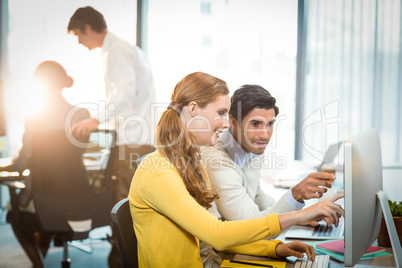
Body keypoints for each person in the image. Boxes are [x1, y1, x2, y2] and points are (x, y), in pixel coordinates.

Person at [128, 72, 344, 267]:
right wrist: (300, 215)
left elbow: (214, 236)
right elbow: (217, 235)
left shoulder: (192, 163)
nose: (226, 123)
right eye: (221, 113)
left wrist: (273, 248)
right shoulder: (158, 171)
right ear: (193, 110)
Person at [67, 6, 156, 266]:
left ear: (88, 28)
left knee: (124, 210)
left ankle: (120, 263)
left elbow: (124, 92)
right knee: (136, 209)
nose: (80, 42)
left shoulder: (116, 51)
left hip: (132, 142)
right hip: (139, 141)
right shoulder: (127, 49)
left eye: (78, 35)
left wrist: (96, 119)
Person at [201, 84, 337, 222]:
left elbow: (257, 197)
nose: (265, 135)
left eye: (270, 124)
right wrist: (295, 197)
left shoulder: (251, 145)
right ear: (233, 122)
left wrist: (299, 217)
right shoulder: (217, 162)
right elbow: (251, 226)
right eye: (255, 124)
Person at [1, 61, 90, 268]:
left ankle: (38, 265)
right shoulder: (81, 114)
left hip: (47, 200)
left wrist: (6, 168)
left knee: (15, 216)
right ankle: (38, 261)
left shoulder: (35, 118)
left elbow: (22, 164)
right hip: (80, 196)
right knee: (46, 208)